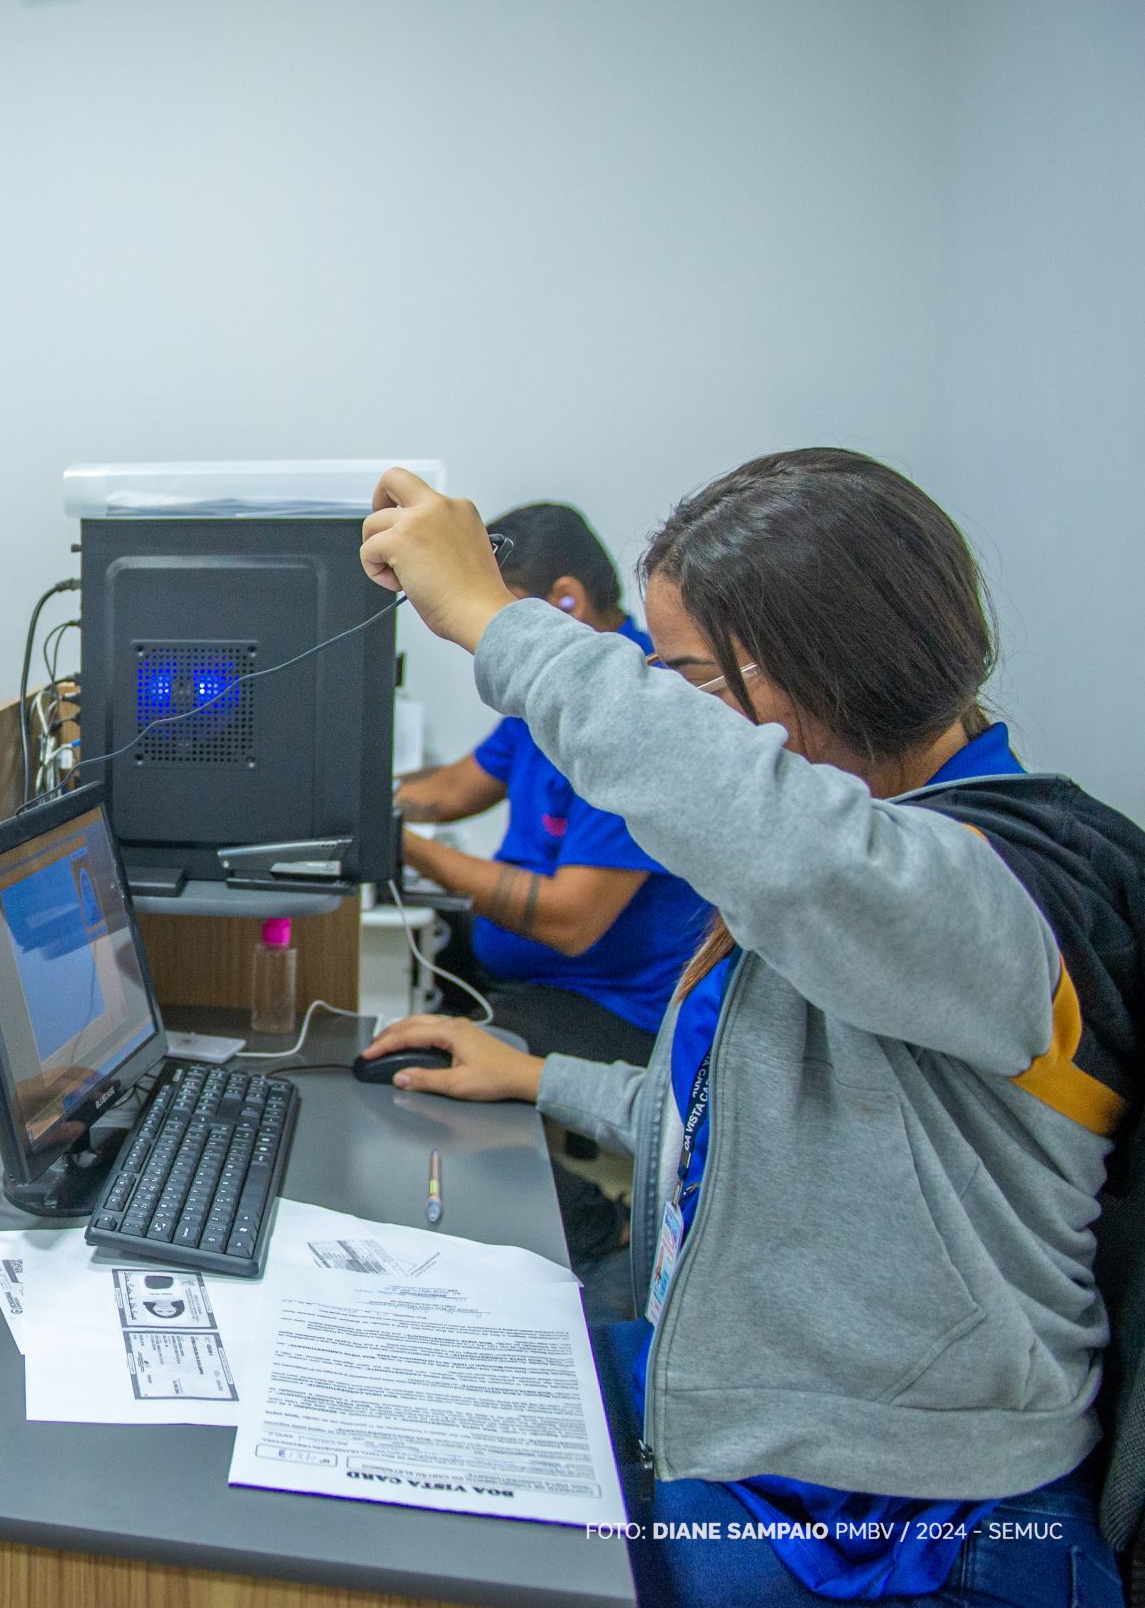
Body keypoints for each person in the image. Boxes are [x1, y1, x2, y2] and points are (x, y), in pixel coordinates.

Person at [357, 452, 1141, 1606]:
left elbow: (786, 839)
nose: (675, 708)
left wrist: (492, 618)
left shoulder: (997, 896)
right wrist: (541, 1076)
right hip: (757, 1440)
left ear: (782, 685)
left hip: (918, 1529)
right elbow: (756, 1126)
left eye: (681, 679)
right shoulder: (875, 870)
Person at [396, 502, 711, 1071]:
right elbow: (456, 787)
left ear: (565, 598)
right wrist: (352, 794)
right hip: (535, 975)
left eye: (500, 614)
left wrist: (402, 843)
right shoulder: (550, 692)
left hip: (611, 1009)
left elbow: (570, 920)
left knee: (423, 1065)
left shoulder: (640, 710)